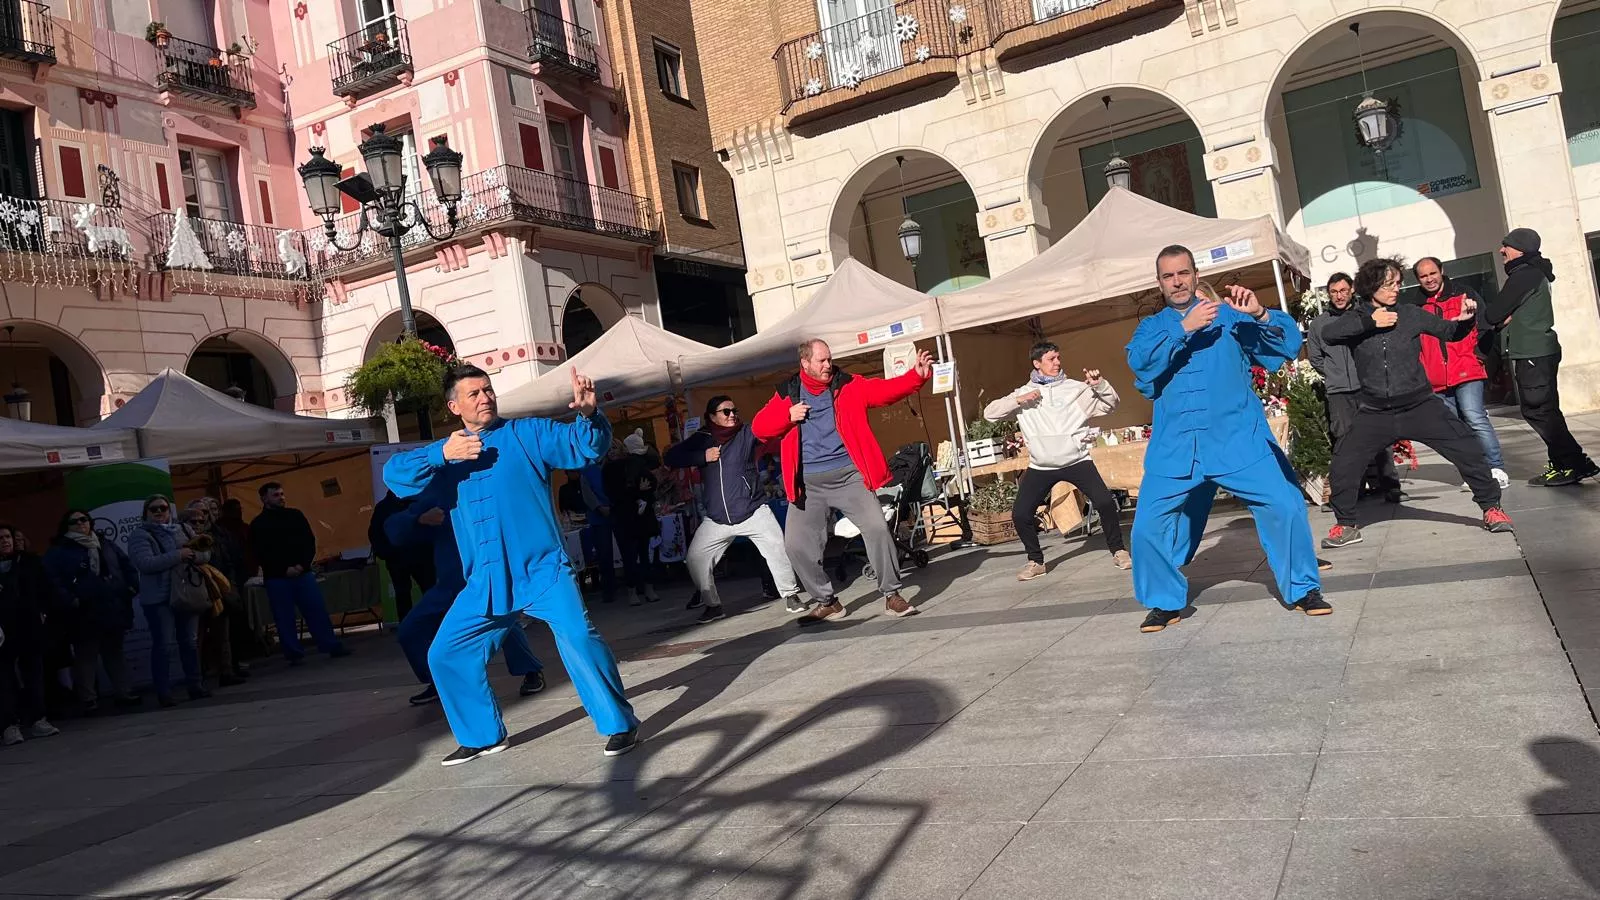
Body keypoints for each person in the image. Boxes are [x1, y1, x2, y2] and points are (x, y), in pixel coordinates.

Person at [384, 365, 637, 765]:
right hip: (484, 581)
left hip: (543, 571)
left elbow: (584, 445)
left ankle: (619, 725)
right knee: (446, 653)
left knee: (579, 638)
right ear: (454, 406)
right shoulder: (447, 456)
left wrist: (590, 415)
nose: (485, 398)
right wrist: (441, 453)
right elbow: (394, 477)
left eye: (488, 390)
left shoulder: (528, 434)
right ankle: (483, 736)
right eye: (474, 394)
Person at [1125, 245, 1328, 633]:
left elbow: (1284, 345)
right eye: (1168, 276)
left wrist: (1261, 313)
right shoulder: (1151, 327)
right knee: (1147, 527)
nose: (1177, 281)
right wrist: (1184, 327)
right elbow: (1139, 362)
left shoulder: (1230, 318)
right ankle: (1164, 602)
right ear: (1159, 283)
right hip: (1176, 450)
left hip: (1237, 442)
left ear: (1196, 275)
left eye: (1183, 273)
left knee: (1285, 504)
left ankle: (1303, 589)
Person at [1317, 258, 1514, 547]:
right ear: (1372, 287)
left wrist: (1465, 320)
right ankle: (1346, 525)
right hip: (1374, 411)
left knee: (1466, 447)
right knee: (1344, 463)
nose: (1397, 288)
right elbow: (1328, 334)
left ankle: (1491, 508)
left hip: (1419, 404)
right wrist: (1369, 322)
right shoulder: (1355, 318)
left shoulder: (1410, 313)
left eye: (1398, 282)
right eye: (1389, 284)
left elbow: (1450, 332)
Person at [751, 338, 932, 624]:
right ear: (805, 363)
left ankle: (892, 595)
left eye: (829, 359)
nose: (827, 365)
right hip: (808, 485)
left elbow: (884, 391)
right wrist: (787, 416)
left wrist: (915, 377)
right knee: (795, 545)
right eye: (821, 361)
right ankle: (828, 602)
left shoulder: (848, 384)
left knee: (877, 529)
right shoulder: (788, 392)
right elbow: (760, 428)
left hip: (850, 476)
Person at [386, 485, 545, 707]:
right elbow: (393, 529)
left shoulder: (486, 488)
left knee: (503, 624)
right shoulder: (439, 494)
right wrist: (419, 518)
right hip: (450, 584)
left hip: (487, 579)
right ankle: (437, 681)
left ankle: (530, 670)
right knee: (410, 630)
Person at [983, 342, 1129, 580]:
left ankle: (1119, 551)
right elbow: (990, 414)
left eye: (1058, 358)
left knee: (1104, 502)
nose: (1057, 363)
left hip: (1077, 460)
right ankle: (1036, 561)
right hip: (1041, 466)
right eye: (1051, 359)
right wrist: (1019, 400)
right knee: (1020, 514)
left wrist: (1100, 385)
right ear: (1037, 363)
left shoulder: (1076, 389)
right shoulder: (1022, 392)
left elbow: (1111, 405)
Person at [665, 395, 805, 623]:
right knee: (695, 559)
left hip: (752, 510)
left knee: (777, 548)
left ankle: (790, 594)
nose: (732, 415)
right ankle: (713, 605)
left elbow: (770, 427)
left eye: (734, 410)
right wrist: (702, 456)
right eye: (726, 412)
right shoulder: (701, 438)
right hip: (717, 519)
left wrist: (789, 414)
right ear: (712, 416)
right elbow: (671, 457)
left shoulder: (746, 432)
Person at [1485, 228, 1599, 486]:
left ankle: (1575, 463)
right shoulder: (1532, 273)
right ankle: (1562, 465)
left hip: (1533, 352)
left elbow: (1492, 314)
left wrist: (1502, 319)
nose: (1502, 250)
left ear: (1521, 249)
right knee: (1547, 410)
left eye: (1507, 246)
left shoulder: (1524, 275)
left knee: (1538, 410)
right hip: (1539, 351)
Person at [1306, 272, 1403, 503]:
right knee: (1345, 441)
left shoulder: (1367, 315)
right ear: (1328, 294)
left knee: (1380, 435)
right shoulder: (1319, 324)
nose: (1339, 296)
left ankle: (1389, 486)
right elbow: (1316, 358)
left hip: (1368, 386)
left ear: (1351, 291)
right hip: (1339, 392)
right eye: (1333, 292)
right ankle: (1353, 490)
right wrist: (1333, 374)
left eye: (1343, 290)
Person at [1414, 257, 1509, 489]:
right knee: (1457, 427)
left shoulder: (1464, 294)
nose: (1429, 279)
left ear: (1441, 271)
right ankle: (1475, 472)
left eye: (1432, 273)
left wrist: (1479, 356)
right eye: (1423, 276)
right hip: (1436, 376)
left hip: (1466, 368)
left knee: (1474, 416)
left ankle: (1495, 467)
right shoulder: (1415, 306)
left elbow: (1485, 326)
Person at [42, 510, 141, 712]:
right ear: (66, 526)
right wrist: (72, 600)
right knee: (86, 655)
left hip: (112, 606)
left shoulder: (104, 543)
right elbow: (52, 580)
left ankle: (123, 692)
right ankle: (88, 699)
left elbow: (126, 565)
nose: (81, 523)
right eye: (75, 521)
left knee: (114, 652)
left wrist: (131, 587)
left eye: (84, 519)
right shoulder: (59, 550)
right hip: (84, 611)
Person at [249, 482, 349, 664]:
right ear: (264, 498)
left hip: (302, 573)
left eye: (281, 494)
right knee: (284, 617)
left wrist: (302, 565)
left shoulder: (295, 516)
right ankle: (293, 653)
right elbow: (260, 552)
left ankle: (330, 644)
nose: (281, 498)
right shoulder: (258, 525)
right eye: (276, 495)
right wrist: (282, 569)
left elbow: (309, 541)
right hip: (277, 578)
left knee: (316, 610)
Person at [126, 496, 211, 707]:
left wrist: (191, 556)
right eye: (153, 509)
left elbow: (205, 554)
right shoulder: (140, 535)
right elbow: (145, 564)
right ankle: (164, 693)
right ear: (145, 513)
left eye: (163, 508)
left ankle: (195, 686)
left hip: (185, 593)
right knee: (163, 645)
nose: (159, 512)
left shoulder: (183, 529)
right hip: (159, 599)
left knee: (190, 643)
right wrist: (179, 554)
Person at [0, 523, 60, 744]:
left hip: (29, 626)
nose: (5, 541)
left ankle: (38, 720)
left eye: (7, 536)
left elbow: (46, 589)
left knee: (34, 674)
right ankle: (9, 725)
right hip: (2, 631)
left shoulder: (29, 561)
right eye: (0, 538)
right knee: (4, 678)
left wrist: (43, 612)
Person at [181, 504, 244, 687]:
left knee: (222, 634)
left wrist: (229, 583)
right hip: (194, 592)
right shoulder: (179, 540)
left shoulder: (216, 536)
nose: (199, 523)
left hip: (217, 590)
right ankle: (197, 677)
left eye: (203, 518)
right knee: (196, 637)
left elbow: (228, 560)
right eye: (194, 521)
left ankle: (227, 671)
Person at [603, 430, 662, 606]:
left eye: (615, 447)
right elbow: (614, 494)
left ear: (623, 449)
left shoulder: (635, 463)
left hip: (640, 517)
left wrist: (641, 491)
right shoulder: (607, 470)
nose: (612, 451)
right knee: (629, 556)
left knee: (644, 554)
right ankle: (632, 590)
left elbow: (650, 481)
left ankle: (649, 588)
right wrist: (637, 491)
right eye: (609, 449)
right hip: (623, 517)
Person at [369, 490, 436, 622]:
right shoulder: (383, 507)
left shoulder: (417, 502)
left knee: (430, 591)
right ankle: (408, 626)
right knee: (403, 595)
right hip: (398, 560)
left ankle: (434, 623)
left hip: (420, 556)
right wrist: (387, 553)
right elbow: (375, 534)